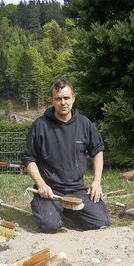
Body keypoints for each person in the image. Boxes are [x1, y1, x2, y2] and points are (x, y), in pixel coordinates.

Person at [21, 79, 110, 232]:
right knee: (50, 226)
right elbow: (29, 158)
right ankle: (49, 208)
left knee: (101, 222)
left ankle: (67, 209)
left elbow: (97, 150)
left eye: (66, 98)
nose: (63, 102)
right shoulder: (40, 125)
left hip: (77, 189)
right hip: (49, 190)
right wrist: (41, 184)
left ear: (73, 98)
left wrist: (96, 182)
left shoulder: (84, 124)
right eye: (58, 98)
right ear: (52, 101)